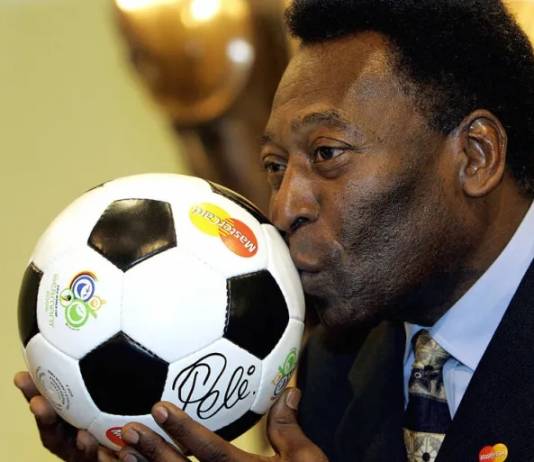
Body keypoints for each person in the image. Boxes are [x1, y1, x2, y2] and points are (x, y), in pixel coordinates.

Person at [14, 0, 534, 461]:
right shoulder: (329, 372)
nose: (283, 210)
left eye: (326, 153)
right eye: (275, 167)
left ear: (476, 156)